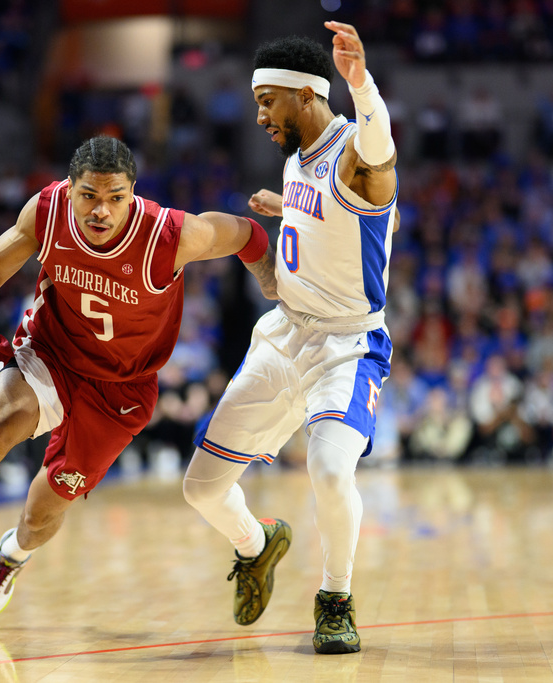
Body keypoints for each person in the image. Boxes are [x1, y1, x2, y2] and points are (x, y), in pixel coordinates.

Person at [0, 135, 277, 646]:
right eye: (90, 195)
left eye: (115, 197)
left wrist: (269, 277)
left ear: (132, 193)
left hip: (122, 388)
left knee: (42, 513)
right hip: (51, 352)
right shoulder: (45, 211)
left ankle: (12, 556)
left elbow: (245, 231)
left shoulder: (170, 234)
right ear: (70, 189)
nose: (101, 210)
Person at [181, 23, 399, 655]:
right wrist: (288, 208)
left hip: (345, 347)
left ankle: (335, 599)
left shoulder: (357, 156)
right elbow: (325, 215)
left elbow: (378, 153)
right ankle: (257, 543)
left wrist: (360, 82)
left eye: (267, 102)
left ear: (305, 96)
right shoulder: (298, 157)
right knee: (201, 489)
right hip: (282, 339)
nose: (259, 116)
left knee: (330, 471)